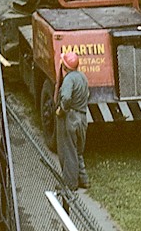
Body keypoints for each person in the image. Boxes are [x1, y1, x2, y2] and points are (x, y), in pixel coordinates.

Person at [55, 51, 90, 191]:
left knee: (69, 151)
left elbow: (67, 98)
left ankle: (70, 184)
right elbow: (88, 94)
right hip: (82, 117)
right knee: (78, 150)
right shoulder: (83, 77)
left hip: (71, 118)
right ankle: (84, 179)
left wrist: (61, 109)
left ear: (65, 66)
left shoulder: (69, 79)